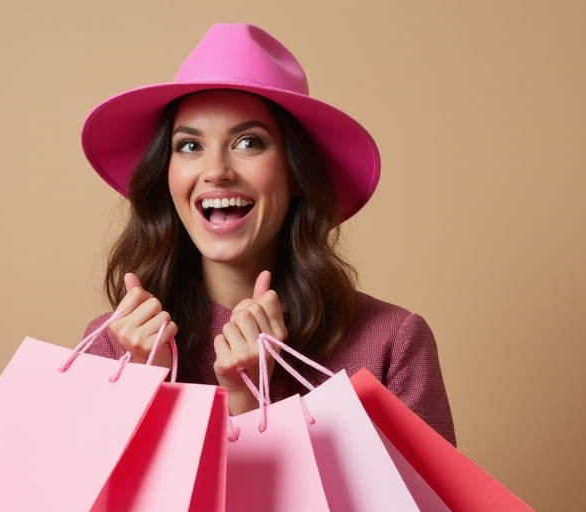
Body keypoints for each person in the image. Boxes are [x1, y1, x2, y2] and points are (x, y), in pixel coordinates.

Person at [80, 23, 456, 446]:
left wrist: (250, 405)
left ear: (296, 173)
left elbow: (427, 488)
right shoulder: (114, 345)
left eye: (248, 143)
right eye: (189, 146)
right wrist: (146, 385)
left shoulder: (391, 342)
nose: (216, 171)